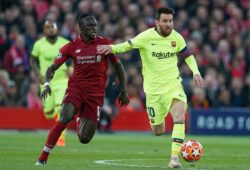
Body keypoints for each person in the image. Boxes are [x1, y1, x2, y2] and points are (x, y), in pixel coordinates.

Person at [97, 7, 206, 168]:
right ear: (157, 22)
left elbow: (188, 56)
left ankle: (174, 159)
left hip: (173, 87)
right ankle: (163, 132)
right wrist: (112, 48)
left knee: (179, 117)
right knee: (158, 130)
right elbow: (128, 45)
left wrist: (196, 72)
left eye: (171, 21)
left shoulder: (177, 38)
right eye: (165, 21)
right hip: (153, 92)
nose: (169, 24)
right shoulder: (147, 36)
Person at [35, 13, 129, 165]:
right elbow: (52, 67)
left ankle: (79, 116)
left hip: (96, 94)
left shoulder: (104, 44)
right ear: (81, 28)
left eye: (95, 26)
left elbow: (118, 66)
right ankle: (43, 157)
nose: (94, 29)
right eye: (90, 26)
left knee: (84, 139)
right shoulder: (71, 47)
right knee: (64, 118)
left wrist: (123, 90)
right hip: (76, 89)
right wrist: (46, 83)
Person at [30, 19, 70, 147]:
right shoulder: (38, 45)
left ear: (57, 29)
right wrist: (38, 75)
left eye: (52, 27)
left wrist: (71, 70)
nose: (50, 29)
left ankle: (60, 138)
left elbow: (72, 59)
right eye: (47, 27)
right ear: (44, 30)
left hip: (61, 80)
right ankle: (55, 119)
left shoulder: (65, 43)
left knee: (61, 107)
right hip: (46, 82)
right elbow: (32, 60)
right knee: (48, 113)